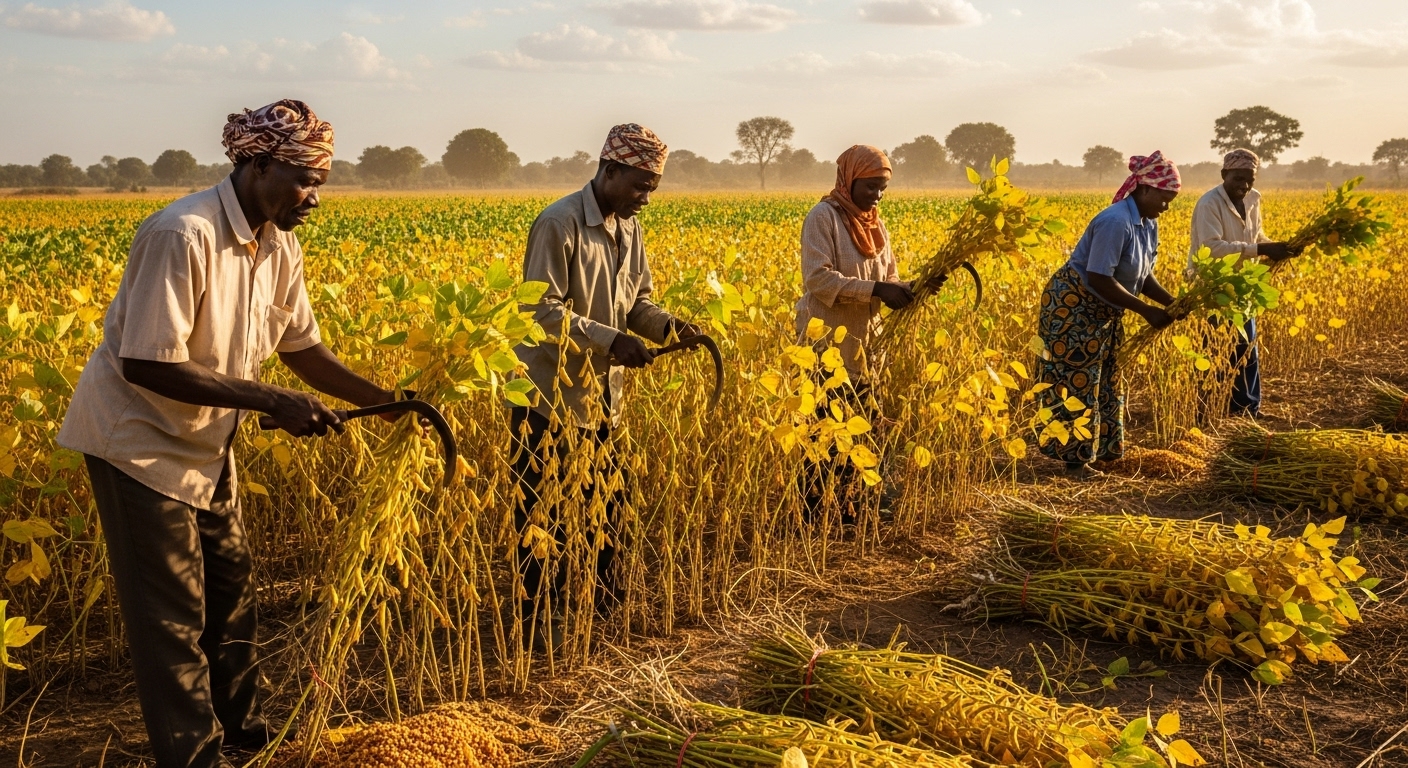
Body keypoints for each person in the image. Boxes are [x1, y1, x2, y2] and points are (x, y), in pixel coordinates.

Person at [57, 100, 407, 768]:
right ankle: (192, 757)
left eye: (321, 183)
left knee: (233, 596)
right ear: (257, 164)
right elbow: (147, 362)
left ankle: (246, 735)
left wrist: (384, 402)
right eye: (304, 180)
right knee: (173, 617)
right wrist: (272, 399)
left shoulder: (279, 244)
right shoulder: (182, 233)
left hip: (208, 445)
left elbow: (301, 346)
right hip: (139, 444)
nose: (314, 198)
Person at [510, 124, 700, 643]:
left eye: (652, 189)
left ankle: (605, 616)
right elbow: (538, 311)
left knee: (611, 511)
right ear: (610, 171)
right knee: (542, 517)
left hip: (602, 400)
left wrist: (670, 327)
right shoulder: (559, 223)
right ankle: (539, 625)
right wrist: (611, 340)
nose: (645, 199)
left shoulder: (629, 229)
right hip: (547, 399)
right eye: (640, 186)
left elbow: (637, 303)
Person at [793, 144, 943, 518]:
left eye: (882, 188)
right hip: (825, 346)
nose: (876, 195)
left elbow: (889, 279)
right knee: (823, 433)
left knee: (861, 431)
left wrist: (915, 287)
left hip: (866, 348)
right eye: (870, 186)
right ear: (848, 180)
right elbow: (818, 279)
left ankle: (851, 509)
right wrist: (877, 290)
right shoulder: (823, 217)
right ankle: (812, 515)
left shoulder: (876, 226)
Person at [1035, 151, 1181, 477]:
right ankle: (1075, 462)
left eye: (1170, 201)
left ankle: (1098, 452)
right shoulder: (1115, 222)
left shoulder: (1148, 224)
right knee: (1078, 379)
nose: (1166, 207)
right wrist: (1145, 310)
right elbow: (1100, 276)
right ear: (1144, 189)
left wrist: (1170, 301)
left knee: (1106, 378)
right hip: (1074, 305)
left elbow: (1141, 275)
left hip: (1104, 307)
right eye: (1163, 199)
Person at [1188, 148, 1298, 417]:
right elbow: (1212, 249)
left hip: (1245, 284)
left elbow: (1257, 235)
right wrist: (1260, 249)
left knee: (1247, 347)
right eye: (1238, 178)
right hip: (1214, 286)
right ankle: (1209, 409)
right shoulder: (1209, 204)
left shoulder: (1254, 199)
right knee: (1215, 349)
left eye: (1250, 179)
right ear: (1224, 174)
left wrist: (1282, 247)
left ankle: (1247, 409)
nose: (1245, 186)